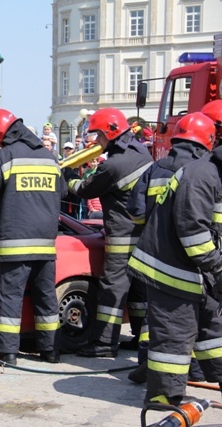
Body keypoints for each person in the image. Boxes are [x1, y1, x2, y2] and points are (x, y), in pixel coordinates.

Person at [126, 113, 222, 406]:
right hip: (171, 269)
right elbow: (193, 230)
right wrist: (217, 266)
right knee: (173, 336)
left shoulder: (172, 169)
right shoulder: (201, 175)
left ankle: (213, 374)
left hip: (190, 266)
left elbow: (137, 211)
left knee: (211, 326)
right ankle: (163, 397)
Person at [0, 108, 65, 366]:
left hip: (14, 243)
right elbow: (62, 190)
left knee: (10, 296)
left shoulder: (4, 157)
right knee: (46, 296)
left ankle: (8, 352)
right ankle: (51, 350)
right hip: (46, 242)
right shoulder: (49, 157)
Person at [67, 107, 153, 357]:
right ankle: (142, 338)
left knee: (112, 287)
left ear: (110, 133)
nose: (97, 141)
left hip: (122, 234)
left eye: (99, 135)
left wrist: (69, 175)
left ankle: (104, 344)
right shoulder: (141, 153)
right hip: (143, 233)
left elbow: (84, 189)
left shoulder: (113, 165)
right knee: (138, 289)